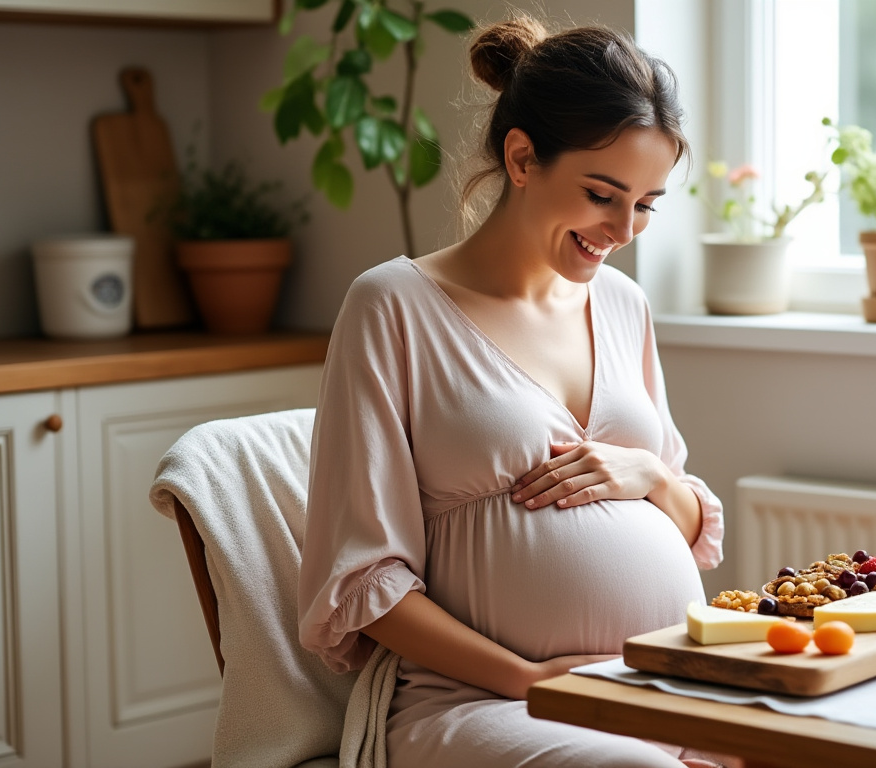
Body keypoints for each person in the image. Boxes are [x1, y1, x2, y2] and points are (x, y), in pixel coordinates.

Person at [297, 16, 731, 768]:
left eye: (648, 203)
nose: (624, 229)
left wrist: (655, 477)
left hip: (662, 689)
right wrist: (530, 679)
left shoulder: (624, 308)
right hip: (485, 702)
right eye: (602, 194)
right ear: (522, 157)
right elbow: (365, 579)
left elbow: (693, 531)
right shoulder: (392, 307)